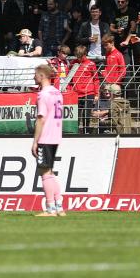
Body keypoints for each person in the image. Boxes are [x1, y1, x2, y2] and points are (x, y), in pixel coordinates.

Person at [32, 64, 66, 217]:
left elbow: (41, 118)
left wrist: (35, 141)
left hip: (45, 137)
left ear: (41, 76)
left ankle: (50, 208)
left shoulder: (43, 94)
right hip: (56, 136)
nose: (34, 77)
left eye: (35, 74)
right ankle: (59, 207)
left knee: (44, 173)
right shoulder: (57, 92)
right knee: (50, 172)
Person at [69, 45, 99, 133]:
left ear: (85, 54)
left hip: (88, 93)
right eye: (77, 56)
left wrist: (96, 93)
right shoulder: (73, 63)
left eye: (80, 56)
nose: (78, 58)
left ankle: (86, 132)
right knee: (76, 115)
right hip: (76, 93)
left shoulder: (91, 64)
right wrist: (70, 90)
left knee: (86, 115)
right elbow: (69, 78)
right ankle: (75, 132)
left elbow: (96, 79)